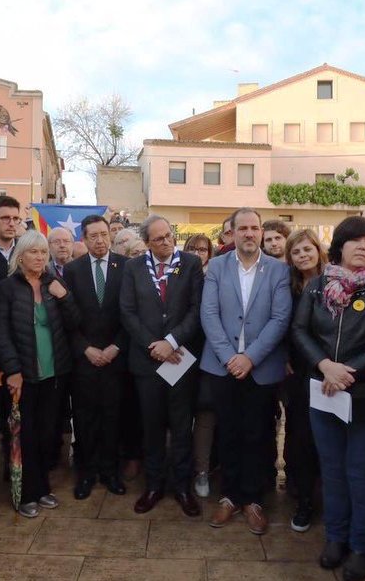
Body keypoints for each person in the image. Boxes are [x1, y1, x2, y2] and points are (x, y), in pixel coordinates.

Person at [293, 216, 365, 581]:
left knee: (363, 474)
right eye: (356, 240)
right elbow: (300, 330)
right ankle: (336, 537)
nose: (363, 247)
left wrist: (349, 371)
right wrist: (324, 365)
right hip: (325, 394)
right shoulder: (318, 286)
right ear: (340, 246)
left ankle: (361, 545)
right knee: (332, 471)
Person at [200, 208, 292, 535]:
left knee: (258, 433)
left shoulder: (278, 270)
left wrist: (250, 357)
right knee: (227, 432)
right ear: (233, 233)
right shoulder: (217, 266)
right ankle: (229, 497)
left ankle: (253, 499)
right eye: (243, 228)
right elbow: (209, 314)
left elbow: (280, 318)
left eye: (255, 228)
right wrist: (230, 357)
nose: (250, 233)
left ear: (261, 232)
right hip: (222, 365)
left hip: (261, 367)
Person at [120, 216, 205, 517]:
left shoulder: (191, 264)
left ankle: (182, 487)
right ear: (147, 243)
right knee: (152, 426)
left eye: (169, 235)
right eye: (159, 239)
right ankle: (154, 485)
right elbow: (127, 312)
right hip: (148, 362)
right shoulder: (132, 268)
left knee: (182, 427)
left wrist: (171, 341)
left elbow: (196, 309)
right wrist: (154, 345)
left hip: (180, 358)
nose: (167, 242)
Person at [0, 231, 78, 518]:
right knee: (24, 435)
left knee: (46, 434)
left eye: (43, 252)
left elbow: (75, 322)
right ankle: (25, 493)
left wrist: (64, 297)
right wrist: (12, 370)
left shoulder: (54, 284)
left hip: (55, 373)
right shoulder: (7, 288)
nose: (40, 257)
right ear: (21, 256)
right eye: (34, 252)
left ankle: (42, 488)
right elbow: (1, 333)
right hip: (23, 375)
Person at [63, 216, 128, 500]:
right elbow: (67, 316)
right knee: (85, 418)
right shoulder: (72, 270)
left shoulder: (126, 267)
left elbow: (132, 313)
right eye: (94, 236)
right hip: (85, 359)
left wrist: (117, 346)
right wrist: (85, 348)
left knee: (114, 418)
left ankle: (111, 472)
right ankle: (86, 473)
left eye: (104, 234)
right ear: (84, 239)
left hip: (116, 357)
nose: (100, 240)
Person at [282, 228, 325, 532]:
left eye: (307, 249)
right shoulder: (289, 286)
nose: (302, 256)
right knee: (300, 435)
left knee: (328, 435)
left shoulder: (336, 282)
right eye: (296, 252)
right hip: (297, 370)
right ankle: (305, 500)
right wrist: (284, 355)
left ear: (318, 251)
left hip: (330, 369)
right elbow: (282, 323)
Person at [184, 234, 216, 498]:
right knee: (180, 416)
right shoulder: (176, 275)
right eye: (192, 249)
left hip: (211, 356)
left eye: (203, 249)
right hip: (180, 354)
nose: (197, 253)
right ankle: (180, 467)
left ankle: (202, 470)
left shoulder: (215, 277)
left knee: (206, 415)